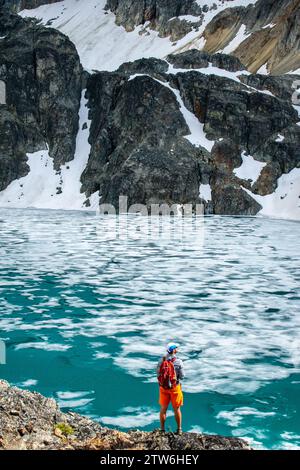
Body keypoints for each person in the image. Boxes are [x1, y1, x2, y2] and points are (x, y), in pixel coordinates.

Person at [157, 342, 185, 435]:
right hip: (174, 388)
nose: (177, 349)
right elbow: (182, 376)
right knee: (177, 409)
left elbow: (158, 374)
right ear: (173, 350)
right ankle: (179, 429)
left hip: (163, 388)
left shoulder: (161, 360)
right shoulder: (178, 361)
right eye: (176, 348)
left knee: (163, 409)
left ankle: (162, 430)